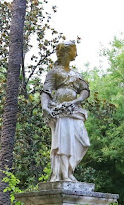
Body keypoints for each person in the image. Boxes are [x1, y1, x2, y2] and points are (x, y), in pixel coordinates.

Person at [41, 40, 90, 182]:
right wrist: (45, 107)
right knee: (64, 142)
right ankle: (64, 174)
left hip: (74, 110)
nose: (77, 54)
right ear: (68, 52)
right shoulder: (54, 72)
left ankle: (69, 170)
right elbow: (46, 91)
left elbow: (85, 90)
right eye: (75, 50)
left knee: (83, 142)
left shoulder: (76, 73)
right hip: (60, 111)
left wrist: (77, 100)